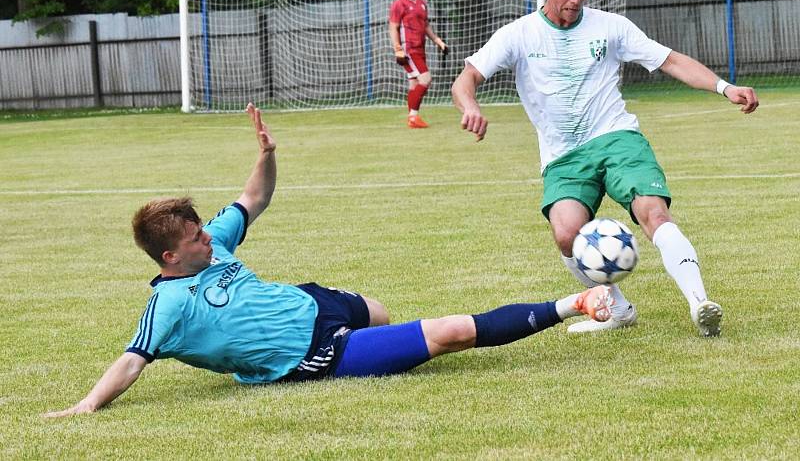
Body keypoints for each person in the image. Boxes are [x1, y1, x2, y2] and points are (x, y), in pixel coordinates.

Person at [45, 103, 616, 418]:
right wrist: (87, 405)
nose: (209, 239)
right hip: (313, 355)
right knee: (445, 334)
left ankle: (369, 333)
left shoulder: (214, 241)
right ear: (171, 256)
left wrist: (266, 154)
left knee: (381, 312)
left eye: (204, 230)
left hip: (312, 301)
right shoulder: (167, 304)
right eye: (197, 239)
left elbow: (254, 198)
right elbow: (132, 359)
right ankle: (576, 303)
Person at [451, 0, 759, 337]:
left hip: (616, 136)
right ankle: (618, 309)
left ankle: (700, 302)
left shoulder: (611, 26)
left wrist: (723, 86)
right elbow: (466, 80)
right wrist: (470, 107)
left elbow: (671, 60)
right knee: (565, 233)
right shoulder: (518, 34)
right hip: (564, 156)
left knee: (654, 211)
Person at [389, 0, 449, 128]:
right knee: (426, 79)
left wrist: (438, 41)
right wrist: (397, 48)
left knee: (414, 84)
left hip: (421, 49)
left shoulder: (422, 3)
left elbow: (426, 25)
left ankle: (412, 119)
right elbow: (393, 27)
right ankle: (413, 116)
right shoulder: (399, 4)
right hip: (409, 49)